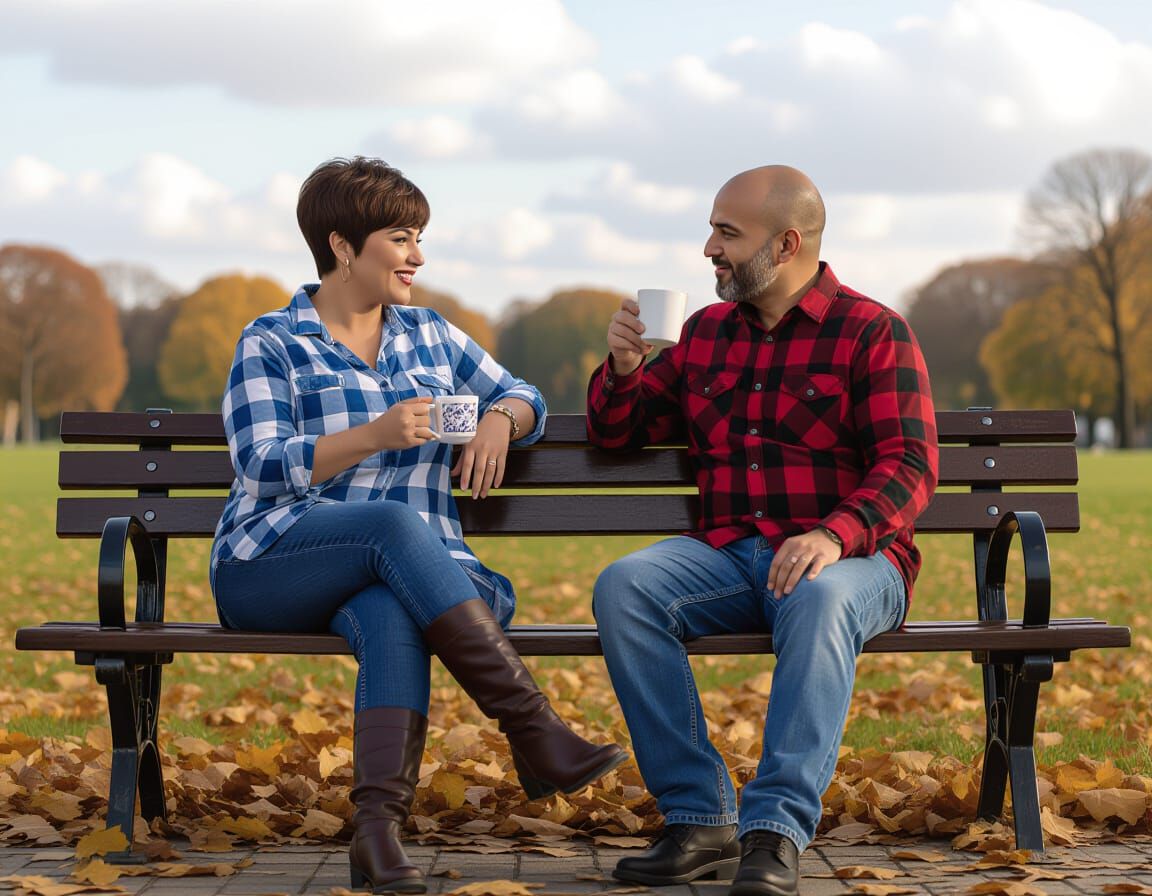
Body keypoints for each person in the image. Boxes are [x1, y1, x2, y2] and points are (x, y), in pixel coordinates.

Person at [211, 157, 627, 895]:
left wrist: (502, 418)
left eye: (419, 238)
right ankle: (533, 728)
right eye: (401, 239)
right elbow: (261, 461)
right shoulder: (272, 341)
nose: (417, 257)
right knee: (393, 529)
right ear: (343, 246)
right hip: (274, 561)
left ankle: (377, 833)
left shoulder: (430, 335)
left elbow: (521, 392)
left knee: (387, 607)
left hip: (424, 578)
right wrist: (371, 436)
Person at [586, 165, 938, 896]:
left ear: (784, 244)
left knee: (820, 595)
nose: (708, 248)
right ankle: (698, 819)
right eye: (713, 229)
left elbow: (908, 464)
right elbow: (621, 434)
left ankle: (774, 832)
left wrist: (835, 534)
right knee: (627, 586)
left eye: (725, 233)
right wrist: (623, 369)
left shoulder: (871, 332)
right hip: (731, 558)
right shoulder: (705, 334)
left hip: (854, 562)